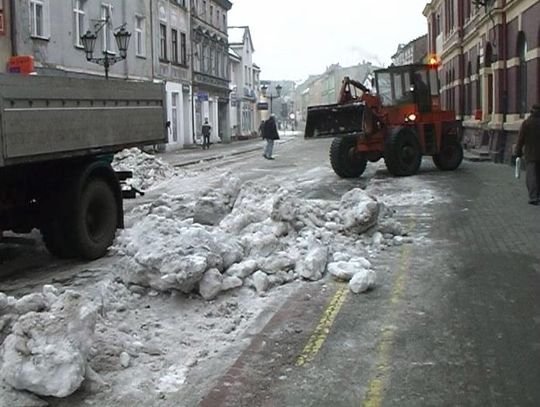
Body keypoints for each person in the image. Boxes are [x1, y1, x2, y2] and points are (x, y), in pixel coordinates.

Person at [516, 104, 540, 205]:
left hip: (530, 154)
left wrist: (518, 152)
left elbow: (521, 139)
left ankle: (533, 197)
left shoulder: (527, 123)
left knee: (531, 175)